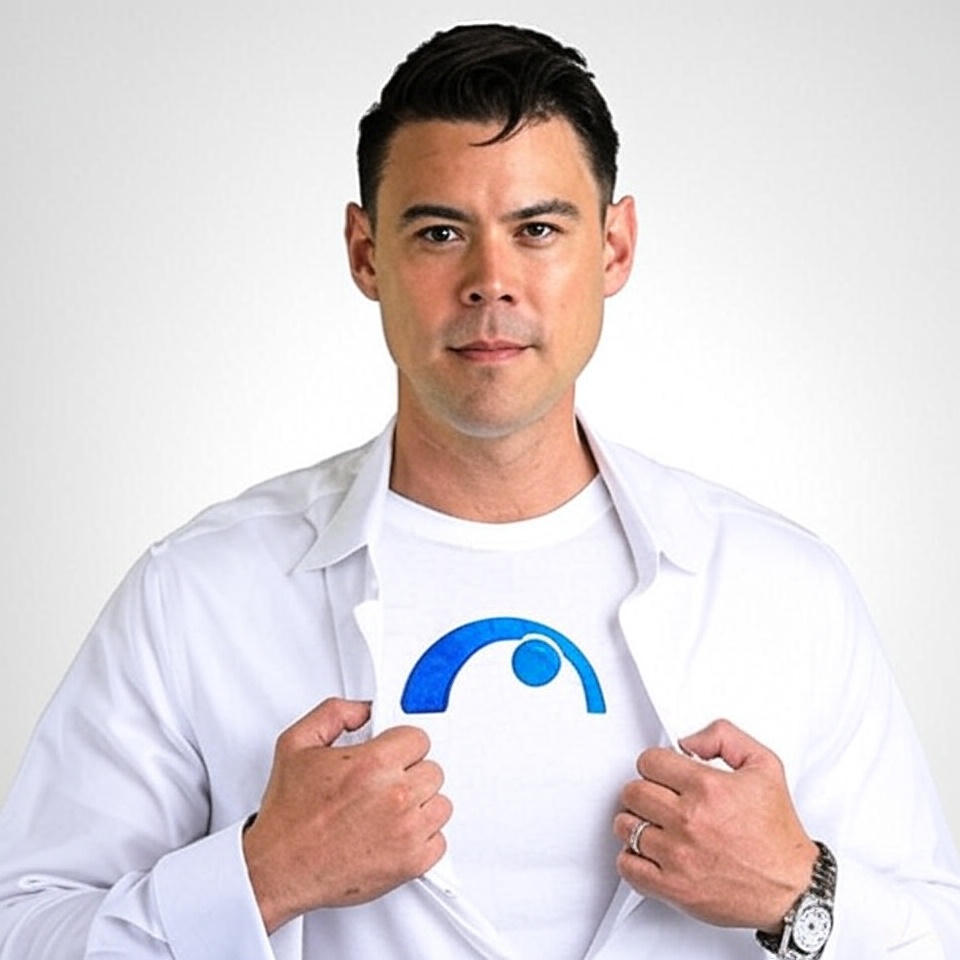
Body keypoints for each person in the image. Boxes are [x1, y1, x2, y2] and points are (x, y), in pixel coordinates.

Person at [0, 21, 958, 960]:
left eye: (537, 229)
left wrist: (799, 893)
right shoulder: (198, 593)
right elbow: (24, 927)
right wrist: (259, 879)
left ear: (614, 248)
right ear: (366, 253)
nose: (489, 282)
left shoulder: (785, 591)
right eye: (439, 232)